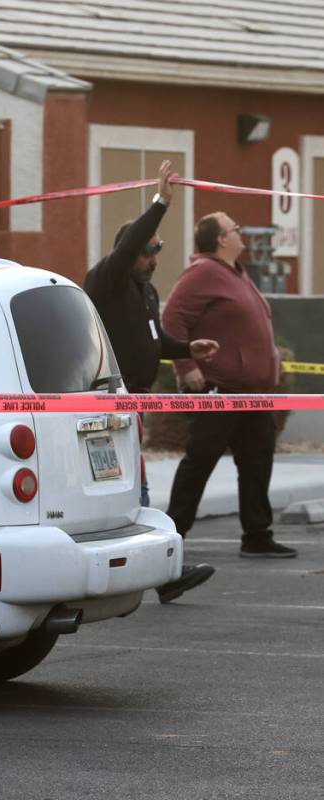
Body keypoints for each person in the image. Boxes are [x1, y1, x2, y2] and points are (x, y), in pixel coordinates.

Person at [85, 160, 219, 604]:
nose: (153, 258)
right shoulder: (107, 279)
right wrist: (161, 202)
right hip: (108, 402)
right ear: (128, 249)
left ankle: (158, 573)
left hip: (135, 403)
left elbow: (153, 339)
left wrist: (186, 349)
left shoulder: (146, 290)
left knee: (131, 488)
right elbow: (126, 254)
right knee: (129, 489)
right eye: (147, 249)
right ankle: (159, 574)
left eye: (158, 250)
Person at [162, 212, 296, 559]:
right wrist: (186, 366)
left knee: (257, 460)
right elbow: (173, 318)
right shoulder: (203, 271)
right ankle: (171, 538)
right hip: (221, 390)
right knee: (200, 462)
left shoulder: (236, 272)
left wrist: (272, 356)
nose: (241, 232)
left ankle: (257, 536)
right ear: (221, 239)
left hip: (253, 393)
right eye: (236, 228)